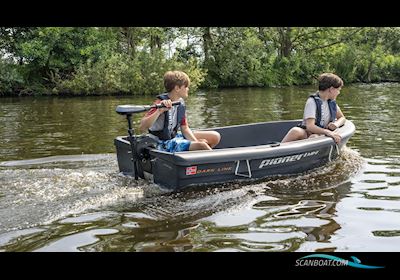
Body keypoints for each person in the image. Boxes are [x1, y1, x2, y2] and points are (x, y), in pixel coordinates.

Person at [139, 70, 221, 153]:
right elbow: (142, 127)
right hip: (160, 143)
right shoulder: (159, 103)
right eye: (186, 87)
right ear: (177, 88)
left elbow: (184, 128)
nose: (188, 89)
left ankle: (195, 158)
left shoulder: (180, 102)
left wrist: (195, 141)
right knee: (202, 146)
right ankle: (217, 162)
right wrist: (159, 111)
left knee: (215, 137)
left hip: (173, 137)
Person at [281, 73, 346, 144]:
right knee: (296, 131)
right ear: (331, 89)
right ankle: (279, 150)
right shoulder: (312, 102)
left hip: (320, 134)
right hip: (307, 133)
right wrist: (327, 132)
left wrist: (336, 124)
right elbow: (310, 126)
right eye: (338, 90)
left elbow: (342, 118)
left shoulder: (331, 102)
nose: (339, 93)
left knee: (315, 136)